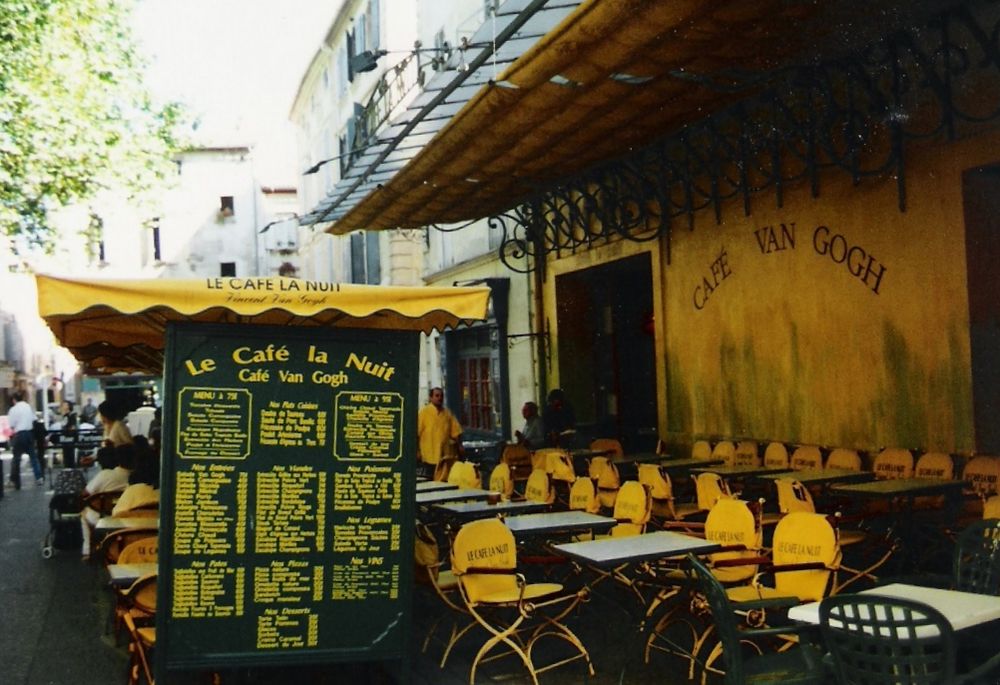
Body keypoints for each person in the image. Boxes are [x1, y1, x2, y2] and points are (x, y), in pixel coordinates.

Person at [80, 444, 132, 560]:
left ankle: (87, 550)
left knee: (84, 514)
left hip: (102, 516)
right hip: (123, 515)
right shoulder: (133, 475)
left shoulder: (105, 475)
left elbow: (85, 493)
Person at [417, 387, 463, 476]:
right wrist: (417, 451)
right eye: (437, 396)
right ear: (431, 398)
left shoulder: (447, 414)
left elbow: (456, 432)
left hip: (444, 456)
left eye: (441, 396)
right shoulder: (424, 413)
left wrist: (460, 446)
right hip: (428, 455)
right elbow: (416, 434)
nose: (439, 398)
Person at [7, 391, 43, 488]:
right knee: (33, 457)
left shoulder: (13, 409)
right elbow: (34, 419)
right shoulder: (28, 406)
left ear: (14, 400)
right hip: (29, 433)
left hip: (19, 435)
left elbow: (12, 425)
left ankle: (15, 481)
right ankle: (39, 477)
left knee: (16, 458)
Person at [59, 400, 78, 468]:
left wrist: (68, 431)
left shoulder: (72, 415)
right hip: (64, 438)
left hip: (70, 437)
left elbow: (73, 426)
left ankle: (71, 469)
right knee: (65, 455)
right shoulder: (64, 416)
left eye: (65, 405)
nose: (63, 406)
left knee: (70, 455)